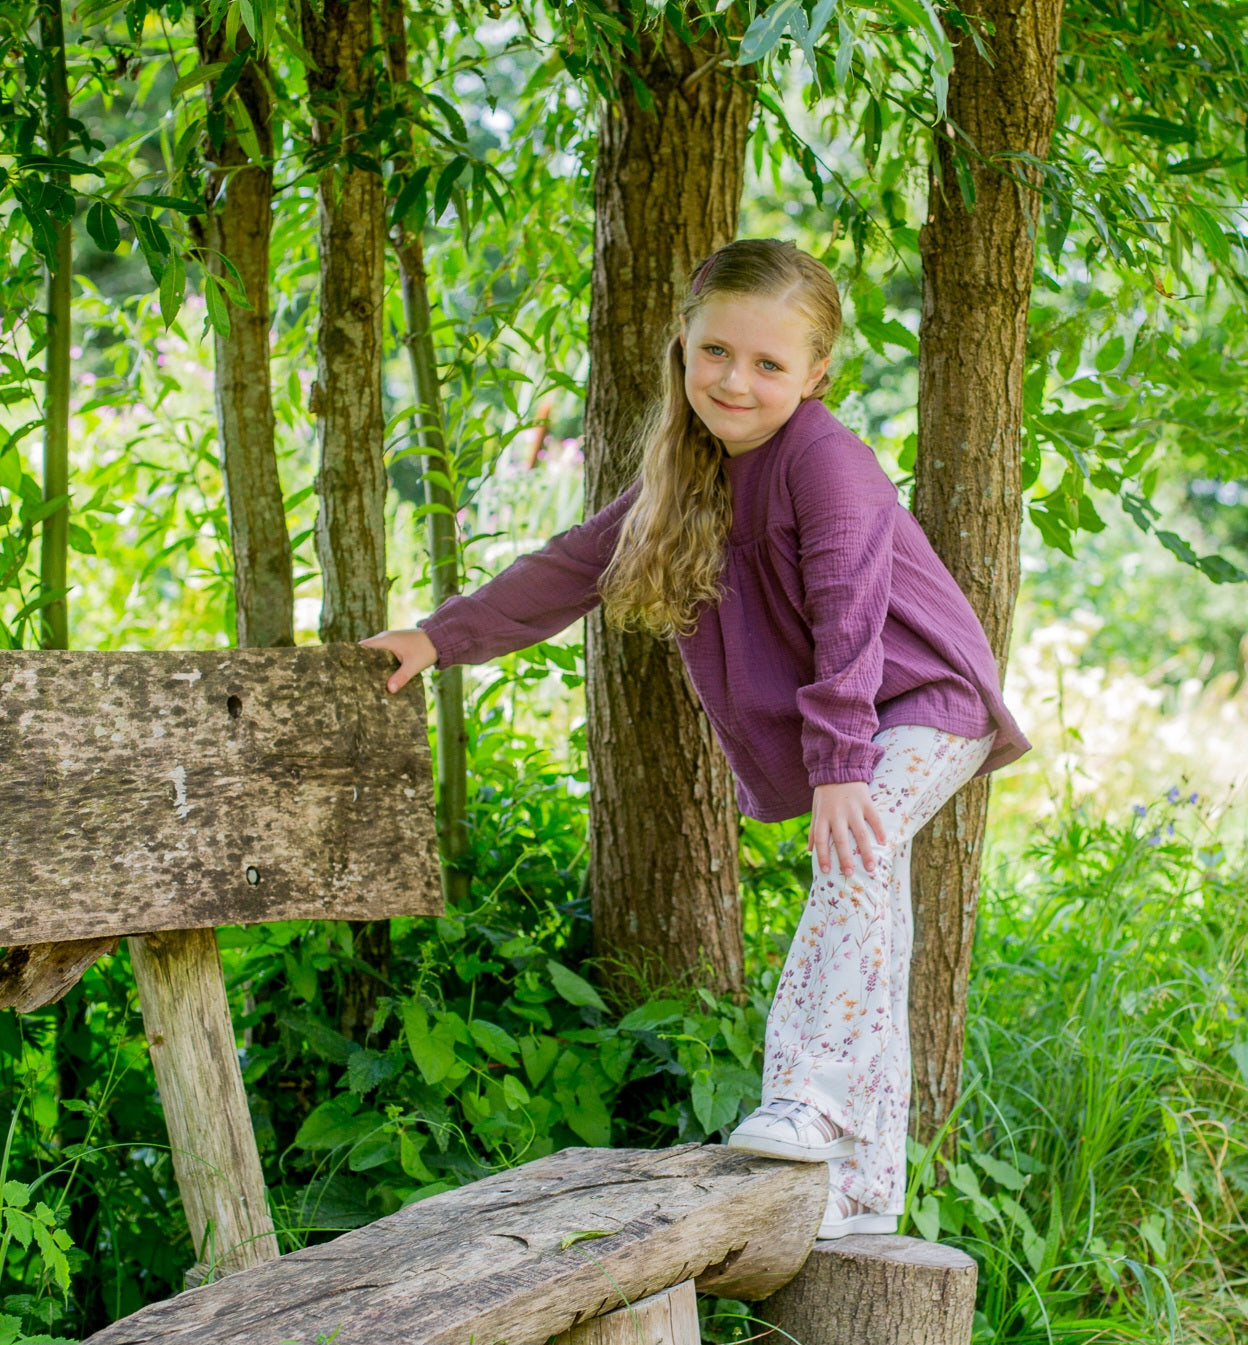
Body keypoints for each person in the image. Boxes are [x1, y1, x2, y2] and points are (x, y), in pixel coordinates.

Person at [362, 238, 1029, 1240]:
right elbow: (570, 565)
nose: (735, 379)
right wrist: (435, 635)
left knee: (853, 866)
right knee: (873, 905)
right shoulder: (693, 472)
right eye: (716, 351)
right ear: (682, 348)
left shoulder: (825, 462)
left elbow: (850, 613)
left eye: (768, 363)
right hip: (865, 720)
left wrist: (843, 769)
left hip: (925, 698)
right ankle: (859, 1192)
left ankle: (807, 1098)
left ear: (814, 375)